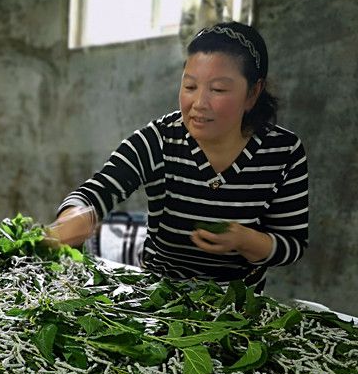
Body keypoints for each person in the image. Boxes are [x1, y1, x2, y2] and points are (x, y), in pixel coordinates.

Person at [49, 21, 308, 292]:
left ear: (252, 93)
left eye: (218, 89)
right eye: (190, 86)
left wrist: (246, 241)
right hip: (159, 299)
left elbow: (292, 243)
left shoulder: (283, 152)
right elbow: (99, 190)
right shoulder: (160, 140)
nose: (199, 103)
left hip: (239, 305)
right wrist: (77, 215)